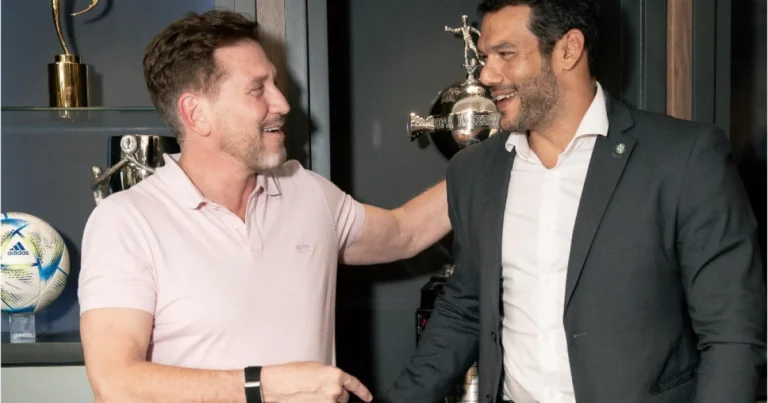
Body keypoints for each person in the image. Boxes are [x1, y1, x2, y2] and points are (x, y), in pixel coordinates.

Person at [382, 1, 766, 403]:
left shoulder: (683, 158)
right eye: (485, 57)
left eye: (506, 54)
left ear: (569, 50)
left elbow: (733, 335)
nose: (486, 75)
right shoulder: (474, 172)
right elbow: (464, 308)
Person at [77, 10, 450, 403]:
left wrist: (484, 161)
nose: (283, 104)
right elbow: (115, 384)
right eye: (258, 89)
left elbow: (404, 232)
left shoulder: (307, 192)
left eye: (275, 83)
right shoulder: (126, 221)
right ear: (196, 114)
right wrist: (262, 385)